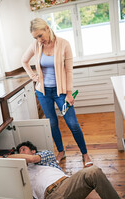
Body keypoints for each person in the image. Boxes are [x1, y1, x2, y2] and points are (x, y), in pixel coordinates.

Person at [21, 17, 92, 166]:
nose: (39, 40)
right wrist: (33, 77)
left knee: (72, 123)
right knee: (52, 123)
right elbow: (24, 60)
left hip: (61, 92)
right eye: (35, 37)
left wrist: (69, 93)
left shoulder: (64, 44)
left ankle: (85, 154)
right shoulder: (36, 45)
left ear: (47, 28)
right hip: (43, 92)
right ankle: (61, 152)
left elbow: (69, 71)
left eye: (40, 36)